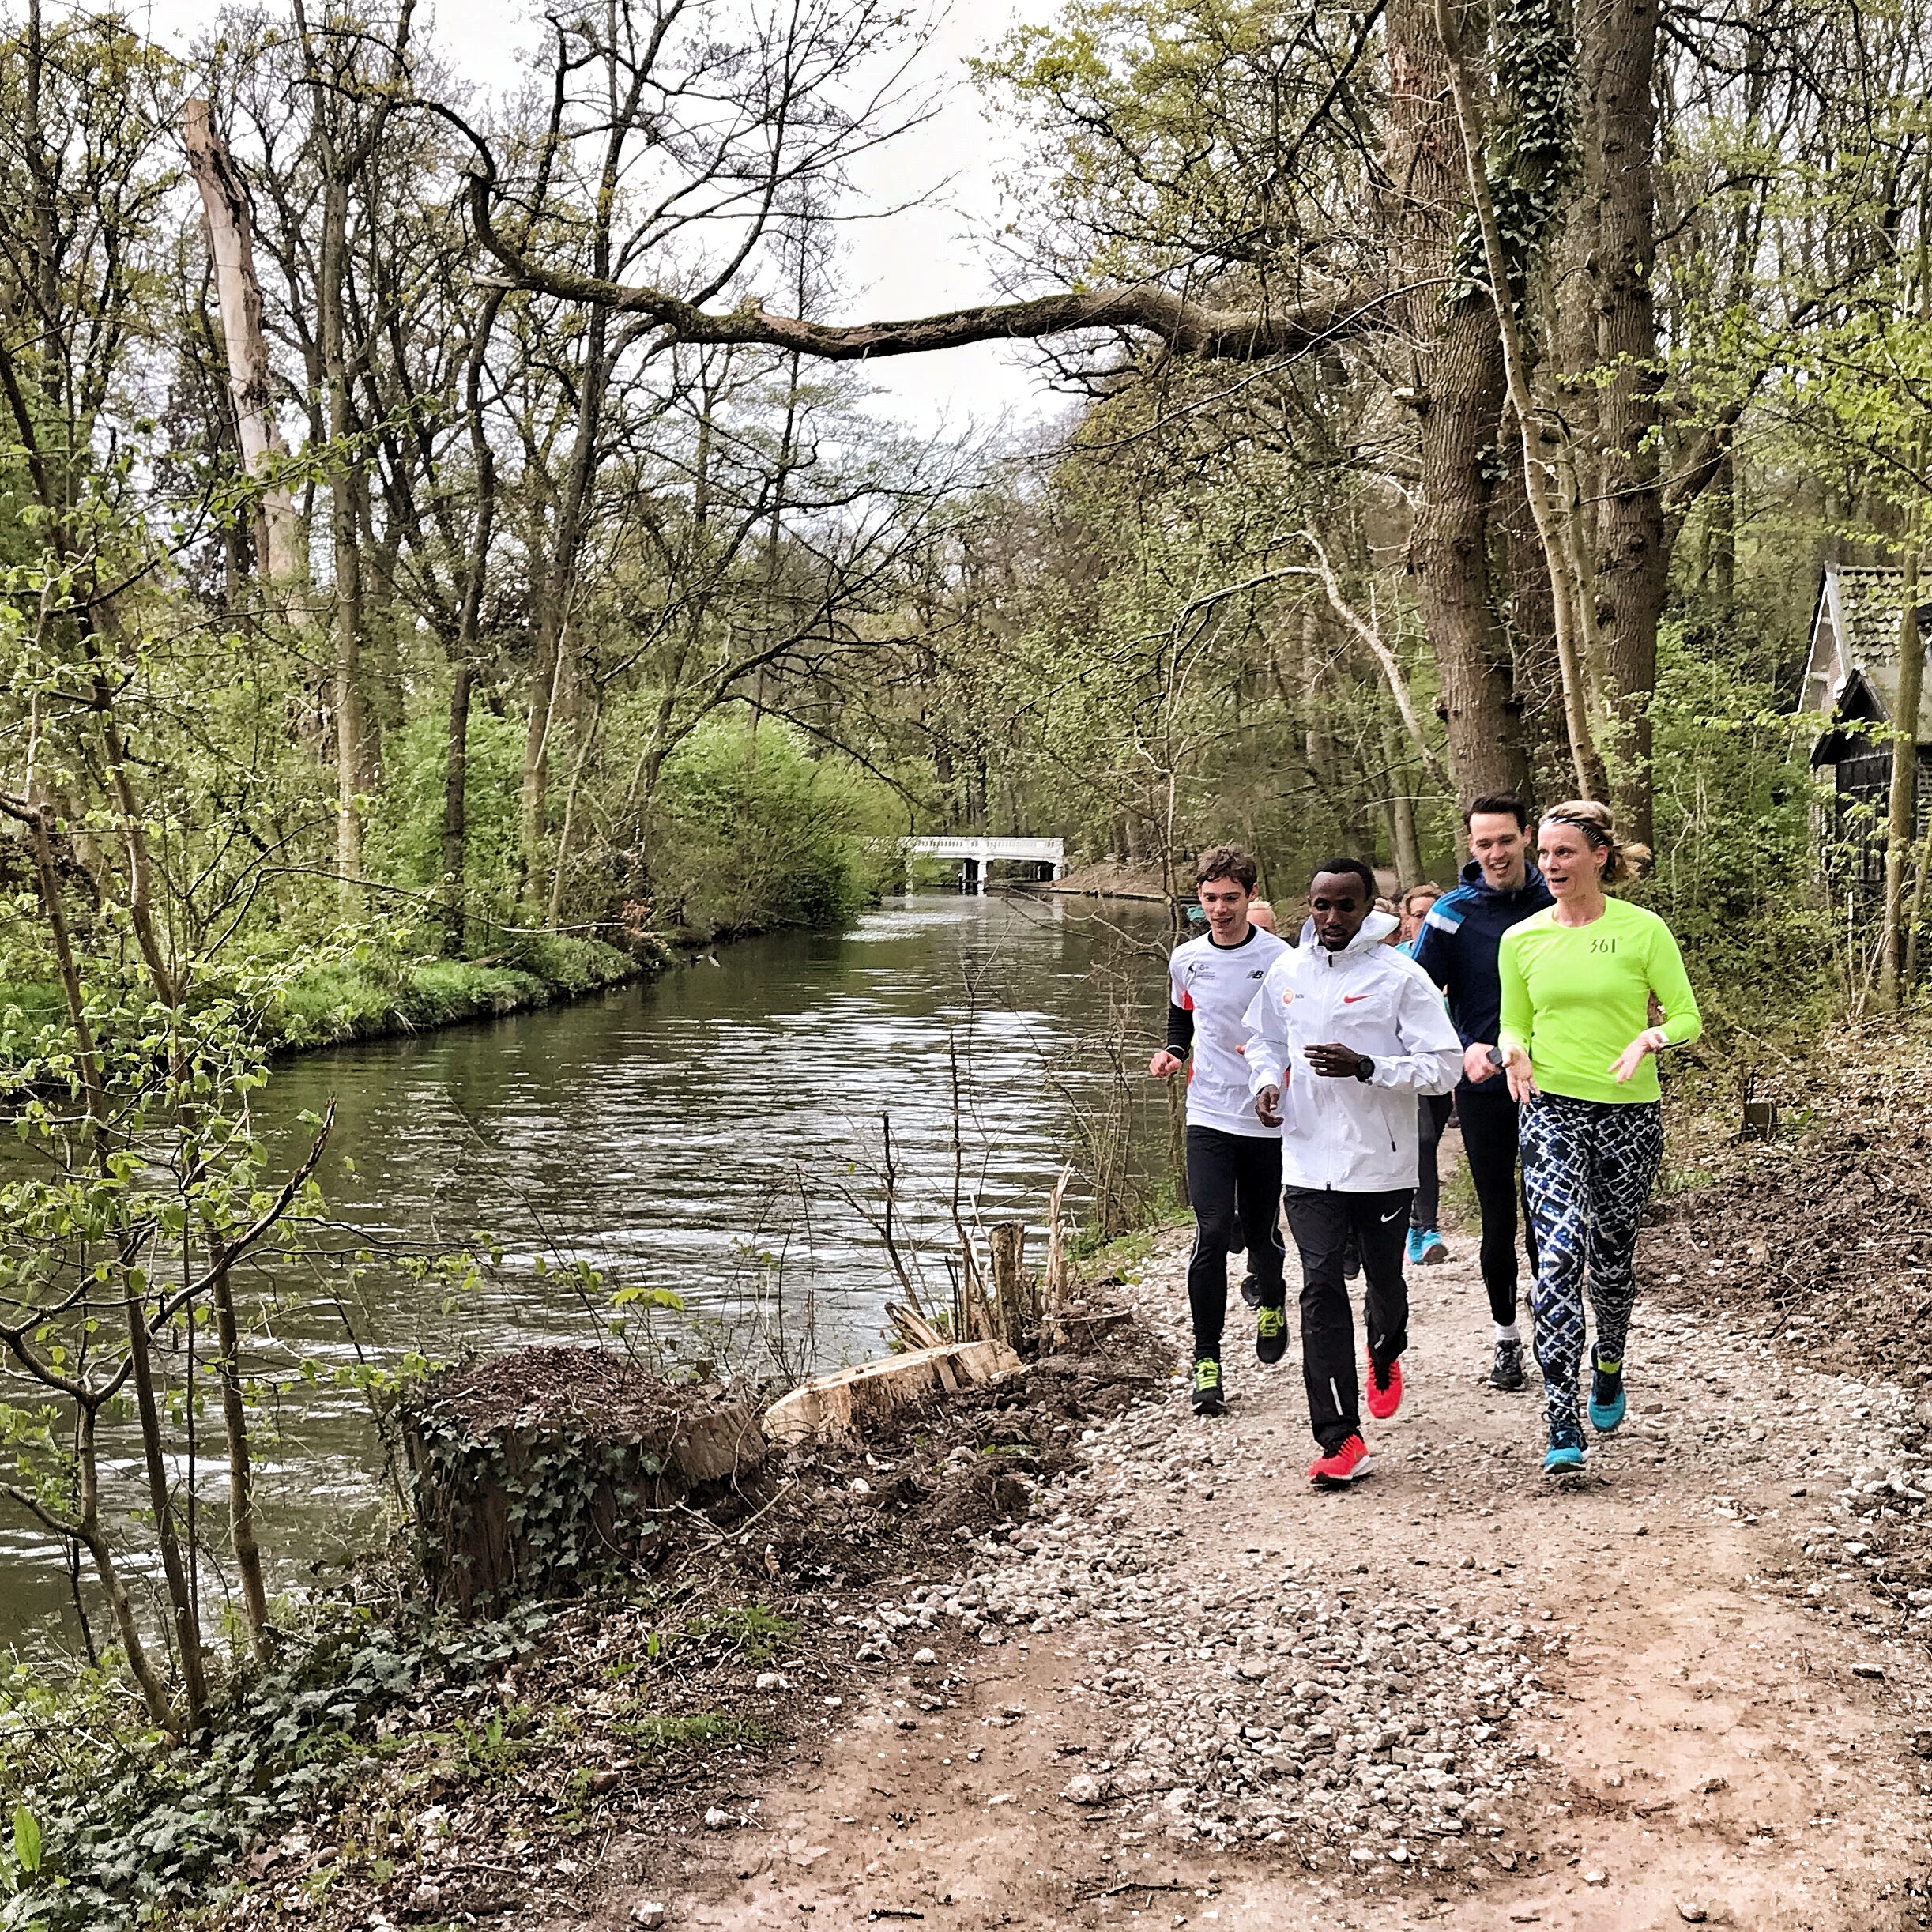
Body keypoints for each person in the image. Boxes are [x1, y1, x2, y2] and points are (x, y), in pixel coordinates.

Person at [1497, 800, 1701, 1474]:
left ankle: (1608, 1358)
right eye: (1544, 853)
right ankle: (1561, 1417)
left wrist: (1651, 1037)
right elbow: (1513, 1020)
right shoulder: (1521, 938)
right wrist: (1511, 1049)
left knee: (1610, 1258)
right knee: (1558, 1255)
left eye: (1564, 852)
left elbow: (1687, 1017)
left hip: (1627, 1112)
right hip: (1549, 1108)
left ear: (1598, 857)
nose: (1550, 865)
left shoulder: (1642, 930)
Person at [1244, 859, 1462, 1486]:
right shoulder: (1287, 970)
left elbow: (1443, 1066)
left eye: (1346, 905)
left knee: (1383, 1286)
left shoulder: (1399, 976)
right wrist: (1266, 1082)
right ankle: (1339, 1437)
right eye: (1321, 904)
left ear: (1369, 907)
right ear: (1308, 905)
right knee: (1319, 1288)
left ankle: (1385, 1348)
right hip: (1306, 1158)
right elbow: (1261, 1038)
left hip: (1380, 1164)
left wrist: (1368, 1066)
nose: (1332, 917)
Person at [1410, 795, 1555, 1391]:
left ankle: (1552, 1322)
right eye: (1483, 843)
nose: (1496, 854)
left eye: (1505, 840)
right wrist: (1462, 1046)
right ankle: (1505, 1339)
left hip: (1554, 1082)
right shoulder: (1449, 914)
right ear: (1471, 847)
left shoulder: (1556, 899)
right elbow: (1416, 1000)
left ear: (1526, 837)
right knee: (1498, 1217)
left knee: (1548, 1216)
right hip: (1485, 1084)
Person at [1151, 845, 1292, 1414]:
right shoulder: (1186, 958)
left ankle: (1272, 1298)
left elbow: (1298, 1023)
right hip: (1207, 1110)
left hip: (1263, 1112)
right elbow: (1181, 1014)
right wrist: (1173, 1050)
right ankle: (1206, 1361)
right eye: (1210, 898)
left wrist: (1273, 1063)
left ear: (1251, 895)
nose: (1220, 909)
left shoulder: (1279, 957)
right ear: (1199, 898)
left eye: (1231, 898)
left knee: (1259, 1230)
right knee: (1210, 1232)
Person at [1395, 884, 1453, 1268]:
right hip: (1400, 1068)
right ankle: (1423, 1228)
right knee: (1422, 1140)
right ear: (1406, 920)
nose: (1427, 923)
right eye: (1419, 916)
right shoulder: (1394, 960)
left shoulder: (1455, 958)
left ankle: (1414, 1225)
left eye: (1434, 915)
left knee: (1425, 1146)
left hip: (1442, 1068)